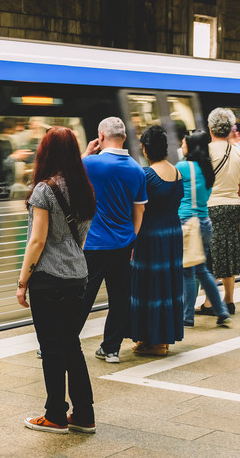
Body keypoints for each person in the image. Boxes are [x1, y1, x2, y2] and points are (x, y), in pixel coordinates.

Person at [16, 127, 96, 434]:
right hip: (78, 276)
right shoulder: (85, 189)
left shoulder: (43, 190)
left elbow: (36, 241)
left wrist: (23, 282)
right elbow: (81, 238)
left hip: (48, 280)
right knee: (71, 345)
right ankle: (84, 414)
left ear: (45, 153)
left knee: (51, 348)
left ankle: (55, 415)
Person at [79, 117, 147, 364]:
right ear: (125, 138)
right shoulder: (137, 169)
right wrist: (132, 241)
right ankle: (111, 349)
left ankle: (65, 342)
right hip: (123, 243)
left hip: (94, 243)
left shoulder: (91, 164)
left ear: (101, 136)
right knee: (120, 298)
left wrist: (85, 153)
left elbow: (63, 177)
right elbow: (138, 212)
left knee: (83, 296)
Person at [130, 126, 185, 356]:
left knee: (151, 287)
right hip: (173, 233)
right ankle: (165, 338)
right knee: (168, 285)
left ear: (145, 149)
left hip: (150, 236)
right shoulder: (177, 173)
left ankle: (153, 341)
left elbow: (138, 209)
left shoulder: (147, 175)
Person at [178, 129, 230, 327]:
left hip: (188, 223)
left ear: (190, 146)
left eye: (184, 142)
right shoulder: (207, 169)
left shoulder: (183, 166)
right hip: (205, 222)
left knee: (187, 272)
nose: (182, 145)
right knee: (202, 270)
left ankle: (186, 317)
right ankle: (222, 310)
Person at [203, 108, 240, 313]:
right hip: (232, 206)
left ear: (211, 128)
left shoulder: (205, 152)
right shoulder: (237, 151)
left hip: (210, 207)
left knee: (210, 255)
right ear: (230, 129)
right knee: (229, 252)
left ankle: (209, 302)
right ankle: (229, 300)